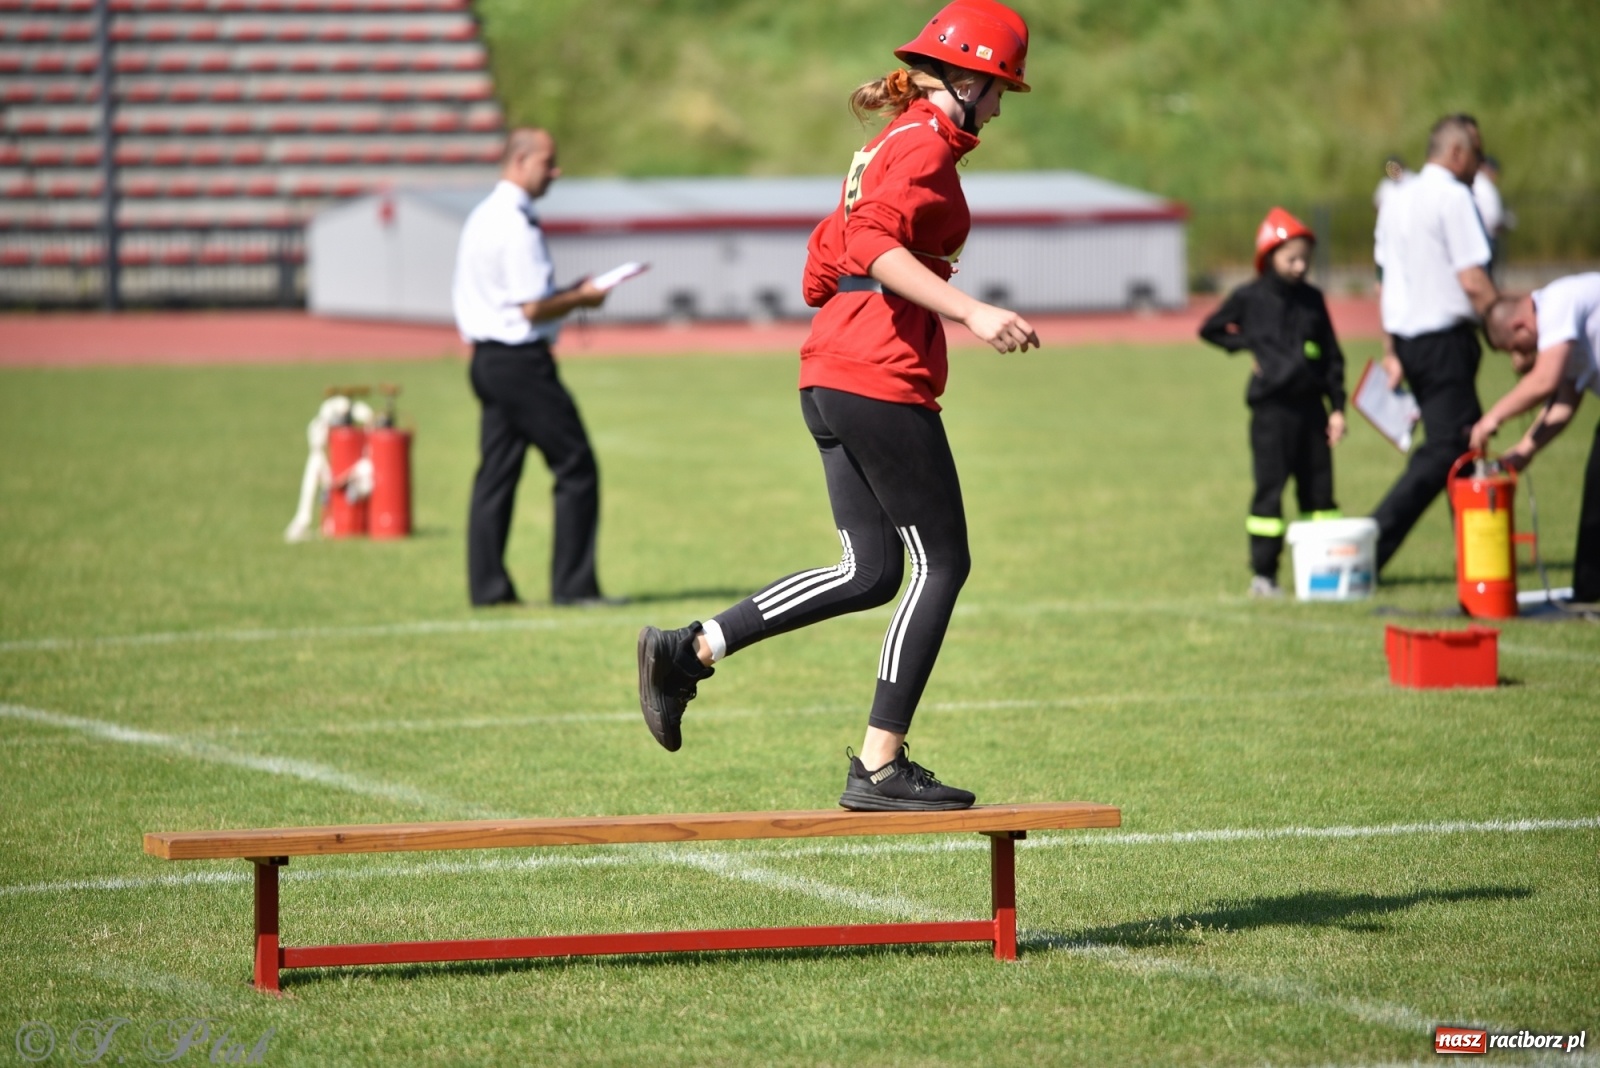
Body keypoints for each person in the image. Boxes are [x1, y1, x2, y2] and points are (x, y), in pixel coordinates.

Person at [635, 0, 1039, 812]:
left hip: (830, 370)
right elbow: (870, 248)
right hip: (877, 373)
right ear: (963, 78)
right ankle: (880, 766)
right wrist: (971, 311)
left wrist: (890, 290)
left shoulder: (881, 146)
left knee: (872, 570)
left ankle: (689, 651)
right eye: (996, 87)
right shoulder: (922, 144)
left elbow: (821, 270)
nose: (999, 105)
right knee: (943, 563)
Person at [452, 127, 618, 608]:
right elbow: (530, 308)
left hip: (486, 357)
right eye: (549, 162)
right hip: (520, 361)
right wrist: (582, 298)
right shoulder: (516, 224)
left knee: (497, 474)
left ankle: (489, 589)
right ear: (521, 161)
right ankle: (573, 586)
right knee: (576, 465)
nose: (556, 171)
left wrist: (564, 294)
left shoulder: (483, 216)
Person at [1369, 114, 1500, 573]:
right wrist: (1503, 327)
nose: (1479, 166)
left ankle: (1477, 558)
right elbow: (1472, 276)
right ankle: (1373, 542)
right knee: (1452, 448)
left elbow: (1384, 282)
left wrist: (1389, 350)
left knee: (1462, 448)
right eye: (1478, 156)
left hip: (1408, 341)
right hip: (1444, 340)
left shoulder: (1395, 199)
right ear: (1457, 153)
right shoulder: (1453, 196)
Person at [1199, 207, 1348, 597]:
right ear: (1269, 257)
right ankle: (1264, 575)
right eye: (1291, 258)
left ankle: (1325, 573)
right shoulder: (1249, 298)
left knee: (1320, 495)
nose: (1300, 266)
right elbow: (1210, 328)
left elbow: (1333, 358)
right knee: (1269, 493)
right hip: (1271, 414)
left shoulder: (1313, 300)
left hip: (1312, 411)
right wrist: (1245, 343)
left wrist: (1337, 410)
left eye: (1305, 259)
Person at [1473, 275, 1600, 604]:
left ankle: (1589, 590)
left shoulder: (1556, 303)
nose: (1517, 362)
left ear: (1520, 327)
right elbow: (1564, 401)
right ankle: (1589, 592)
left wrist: (1492, 417)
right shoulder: (1562, 332)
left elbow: (1545, 381)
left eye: (1515, 350)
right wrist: (1527, 449)